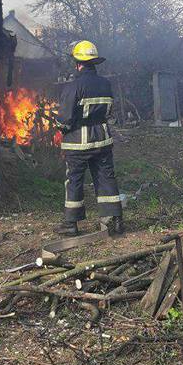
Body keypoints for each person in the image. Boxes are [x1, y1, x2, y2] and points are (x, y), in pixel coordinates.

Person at [55, 41, 124, 236]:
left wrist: (60, 126)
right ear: (94, 62)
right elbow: (109, 112)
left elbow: (64, 119)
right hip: (102, 140)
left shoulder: (74, 86)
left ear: (78, 64)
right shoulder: (106, 84)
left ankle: (71, 224)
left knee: (74, 180)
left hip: (78, 143)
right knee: (106, 177)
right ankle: (115, 222)